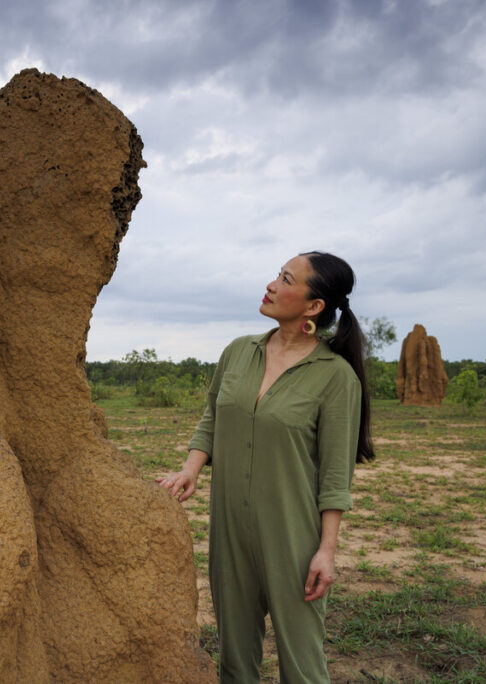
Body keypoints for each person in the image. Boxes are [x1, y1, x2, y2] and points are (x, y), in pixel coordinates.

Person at [157, 251, 375, 683]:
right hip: (229, 529)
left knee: (303, 664)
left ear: (313, 307)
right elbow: (213, 418)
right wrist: (190, 469)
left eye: (286, 279)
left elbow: (335, 476)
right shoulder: (239, 352)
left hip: (293, 538)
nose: (272, 284)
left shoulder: (335, 377)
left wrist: (326, 550)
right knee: (235, 660)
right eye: (277, 274)